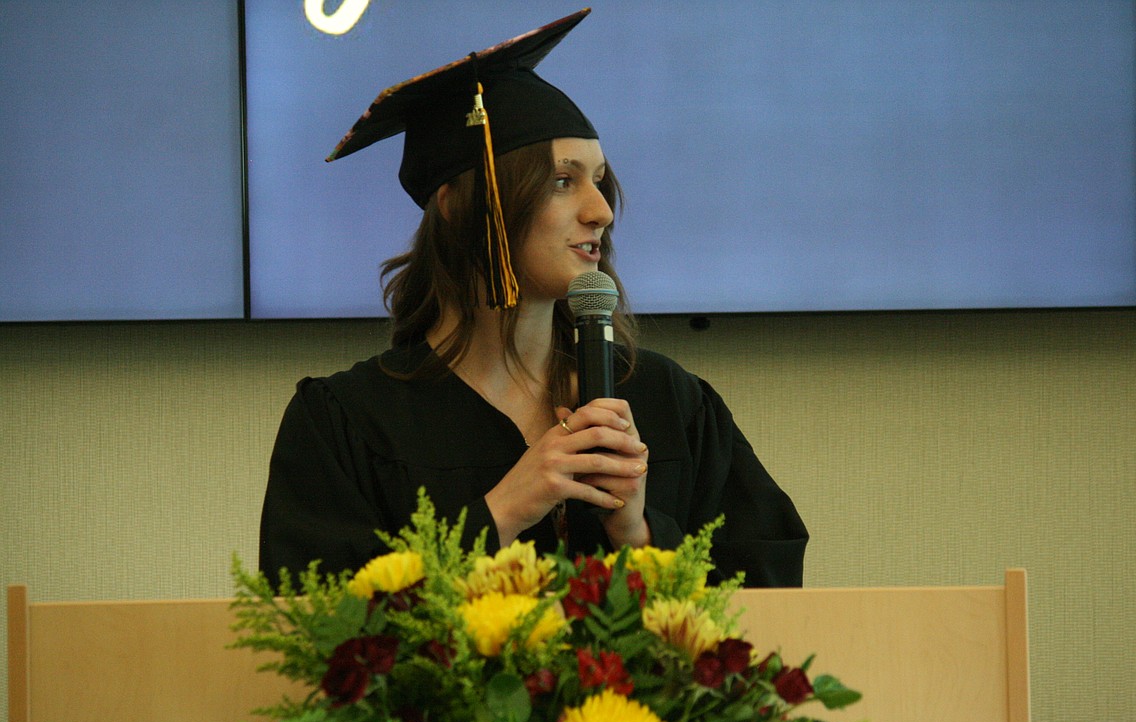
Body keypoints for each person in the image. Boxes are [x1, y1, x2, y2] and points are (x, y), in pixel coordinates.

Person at [259, 9, 807, 588]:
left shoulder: (670, 404)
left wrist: (638, 532)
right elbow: (314, 631)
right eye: (563, 181)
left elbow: (769, 596)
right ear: (460, 204)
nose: (601, 211)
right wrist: (501, 513)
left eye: (599, 180)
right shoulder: (349, 424)